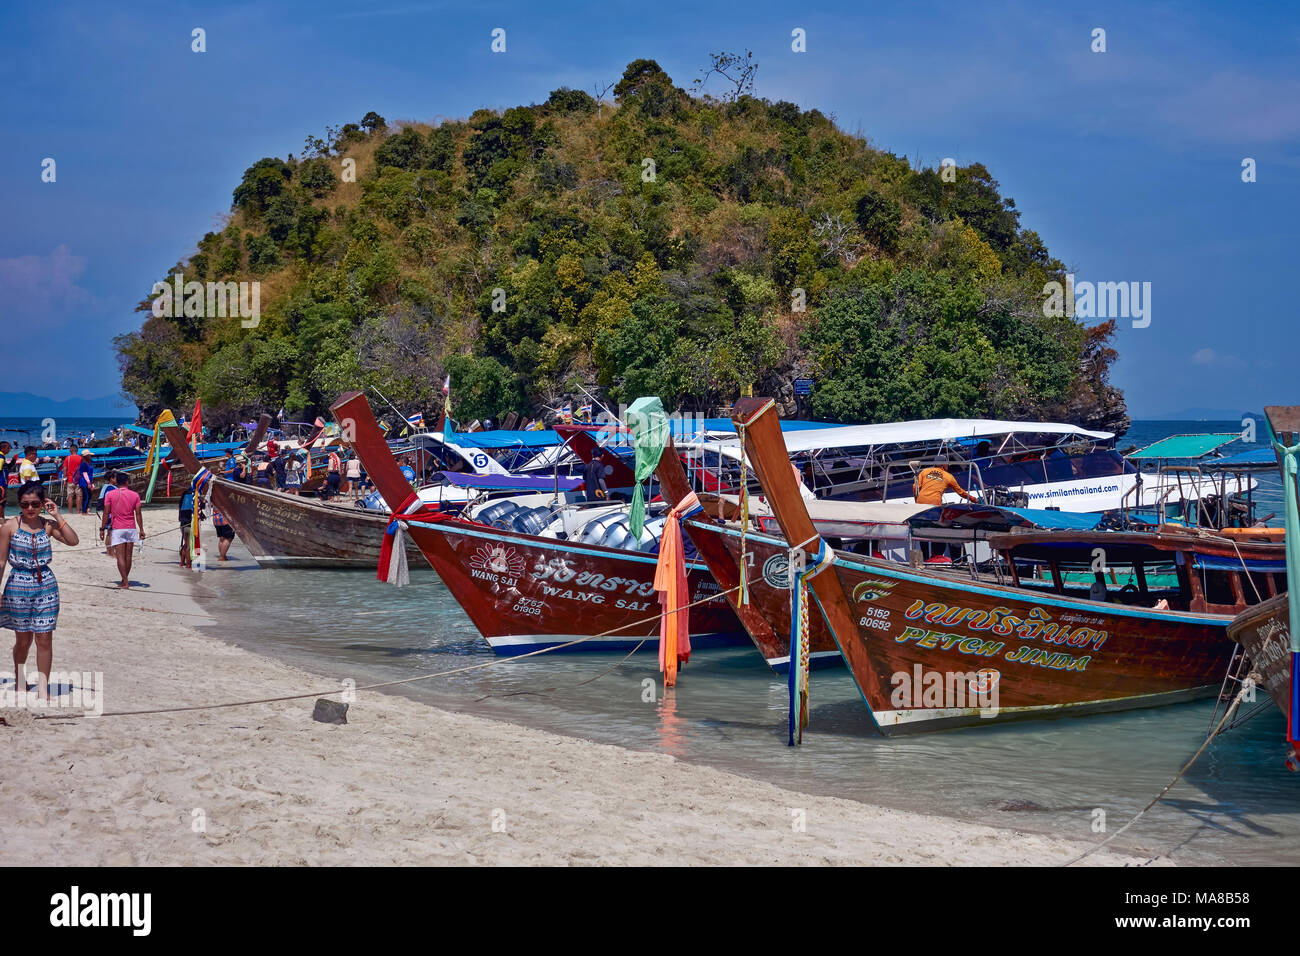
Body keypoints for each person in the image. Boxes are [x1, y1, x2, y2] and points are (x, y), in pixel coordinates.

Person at [0, 481, 79, 702]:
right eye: (25, 504)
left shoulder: (48, 525)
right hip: (18, 586)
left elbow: (73, 541)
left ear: (42, 504)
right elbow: (0, 561)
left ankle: (43, 689)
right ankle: (20, 680)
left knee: (44, 638)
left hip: (46, 585)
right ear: (20, 505)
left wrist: (58, 516)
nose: (30, 508)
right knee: (23, 640)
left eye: (35, 503)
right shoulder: (9, 527)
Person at [100, 470, 144, 588]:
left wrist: (102, 528)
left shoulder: (110, 494)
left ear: (117, 482)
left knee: (120, 556)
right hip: (131, 528)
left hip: (117, 528)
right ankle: (125, 579)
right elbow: (138, 514)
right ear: (126, 482)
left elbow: (106, 513)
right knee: (128, 556)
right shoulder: (135, 495)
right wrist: (142, 529)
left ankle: (125, 581)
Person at [911, 461, 979, 505]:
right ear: (944, 465)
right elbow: (961, 492)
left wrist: (916, 500)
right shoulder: (948, 476)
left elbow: (915, 487)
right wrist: (973, 499)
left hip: (920, 500)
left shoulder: (925, 471)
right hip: (935, 502)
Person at [64, 443, 83, 514]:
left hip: (70, 479)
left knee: (70, 496)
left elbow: (65, 469)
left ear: (71, 450)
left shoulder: (67, 458)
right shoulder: (81, 458)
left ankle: (70, 512)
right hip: (78, 480)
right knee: (79, 495)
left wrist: (64, 480)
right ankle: (78, 511)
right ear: (77, 450)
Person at [178, 486, 195, 569]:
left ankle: (182, 562)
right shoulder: (194, 499)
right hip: (190, 525)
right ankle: (189, 564)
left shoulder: (182, 501)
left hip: (182, 525)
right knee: (190, 545)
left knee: (185, 544)